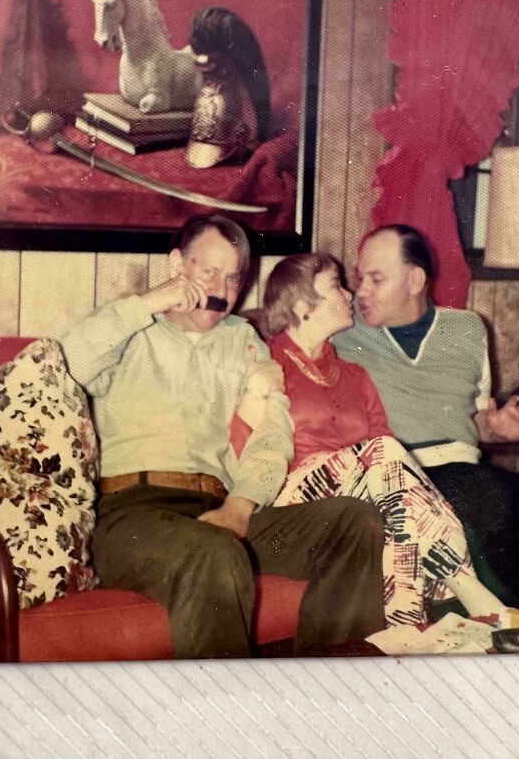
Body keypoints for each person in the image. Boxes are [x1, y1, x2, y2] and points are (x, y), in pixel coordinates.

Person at [61, 214, 386, 659]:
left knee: (354, 522)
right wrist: (148, 301)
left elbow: (273, 434)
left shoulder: (243, 340)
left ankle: (324, 692)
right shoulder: (129, 330)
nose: (221, 290)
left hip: (221, 509)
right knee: (214, 552)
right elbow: (67, 363)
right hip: (133, 517)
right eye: (208, 271)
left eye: (234, 279)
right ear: (177, 264)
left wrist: (239, 505)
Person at [333, 224, 519, 605]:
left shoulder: (466, 329)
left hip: (466, 468)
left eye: (376, 279)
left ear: (415, 280)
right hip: (400, 478)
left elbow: (476, 418)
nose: (361, 291)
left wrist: (500, 429)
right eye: (358, 277)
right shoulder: (343, 330)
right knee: (489, 498)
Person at [260, 252, 504, 625]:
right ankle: (463, 580)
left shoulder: (355, 375)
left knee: (400, 515)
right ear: (302, 306)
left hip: (359, 498)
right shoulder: (266, 365)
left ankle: (404, 628)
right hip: (293, 503)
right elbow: (248, 449)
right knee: (386, 453)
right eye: (335, 287)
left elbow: (390, 462)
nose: (349, 295)